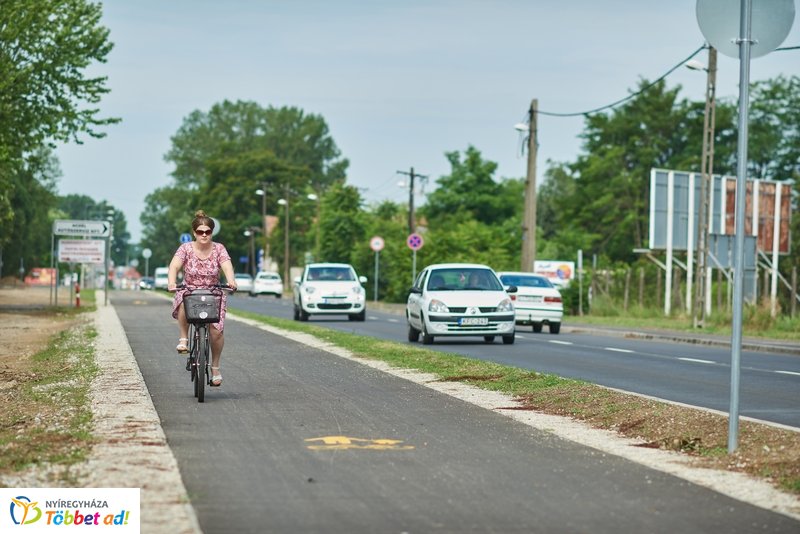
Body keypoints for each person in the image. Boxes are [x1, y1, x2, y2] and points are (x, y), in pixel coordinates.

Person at [168, 210, 237, 387]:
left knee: (216, 332)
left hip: (213, 292)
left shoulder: (219, 249)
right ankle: (183, 339)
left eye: (207, 232)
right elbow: (174, 266)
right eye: (200, 232)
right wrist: (171, 282)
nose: (204, 235)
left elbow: (227, 266)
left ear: (212, 233)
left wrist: (231, 281)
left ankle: (215, 368)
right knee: (184, 299)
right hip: (190, 290)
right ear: (194, 233)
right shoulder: (185, 249)